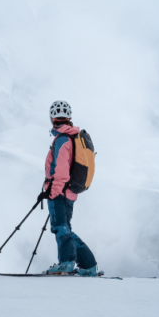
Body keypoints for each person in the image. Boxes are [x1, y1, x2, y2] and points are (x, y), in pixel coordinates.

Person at [37, 100, 98, 276]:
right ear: (68, 117)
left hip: (60, 191)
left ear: (52, 119)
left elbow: (61, 171)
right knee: (64, 228)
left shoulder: (62, 139)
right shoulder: (72, 136)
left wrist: (52, 192)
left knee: (60, 227)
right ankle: (88, 265)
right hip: (69, 191)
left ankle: (66, 262)